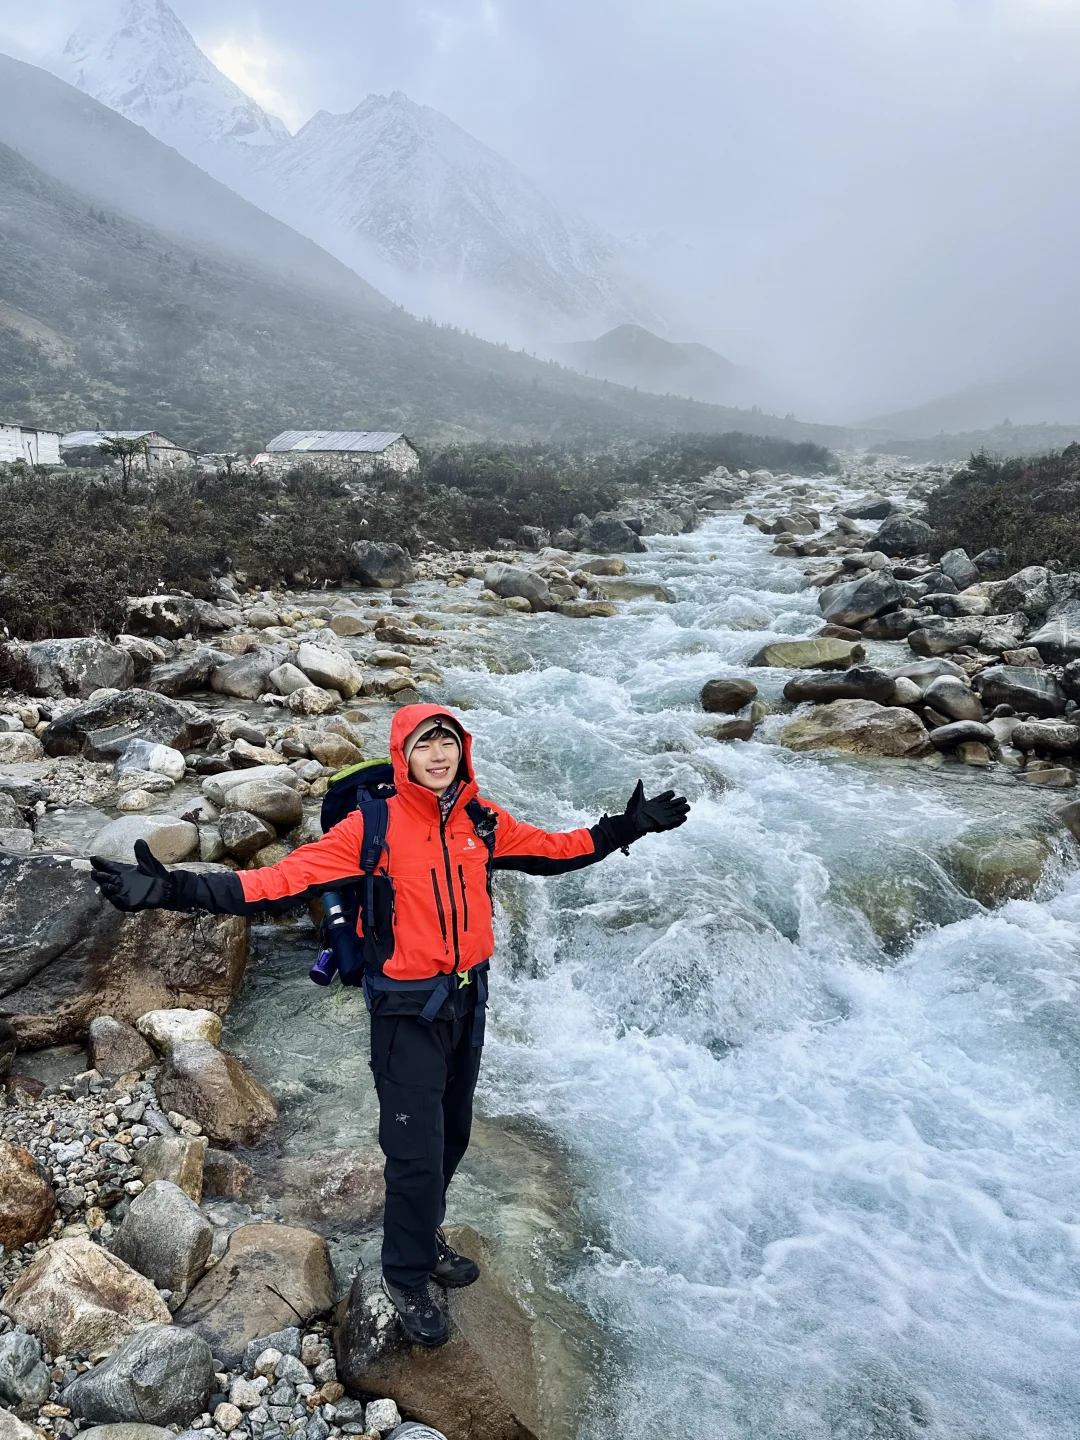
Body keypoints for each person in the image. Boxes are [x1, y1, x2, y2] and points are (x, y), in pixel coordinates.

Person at [91, 702, 689, 1348]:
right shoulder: (369, 830)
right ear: (403, 755)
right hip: (406, 1013)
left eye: (449, 744)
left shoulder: (479, 820)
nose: (439, 756)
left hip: (467, 1004)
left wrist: (626, 827)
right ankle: (403, 1277)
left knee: (452, 1135)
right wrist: (176, 889)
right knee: (413, 1157)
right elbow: (278, 882)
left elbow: (553, 851)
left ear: (463, 752)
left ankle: (422, 1236)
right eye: (426, 745)